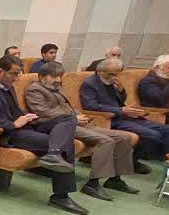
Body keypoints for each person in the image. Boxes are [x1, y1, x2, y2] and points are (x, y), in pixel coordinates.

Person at [0, 55, 86, 214]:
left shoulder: (8, 86)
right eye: (14, 74)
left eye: (19, 74)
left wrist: (29, 117)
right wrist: (13, 124)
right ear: (1, 71)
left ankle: (54, 154)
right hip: (8, 134)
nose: (17, 78)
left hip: (25, 127)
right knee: (66, 144)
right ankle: (61, 195)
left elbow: (16, 111)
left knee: (68, 118)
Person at [25, 61, 139, 201]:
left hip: (79, 123)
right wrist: (74, 118)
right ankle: (93, 184)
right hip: (61, 126)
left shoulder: (58, 88)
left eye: (60, 76)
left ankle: (115, 179)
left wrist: (81, 116)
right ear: (42, 77)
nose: (58, 80)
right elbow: (42, 112)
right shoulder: (34, 90)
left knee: (124, 138)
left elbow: (70, 107)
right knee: (105, 141)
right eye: (53, 76)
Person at [81, 58, 169, 167]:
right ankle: (131, 162)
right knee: (152, 135)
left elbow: (121, 100)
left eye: (117, 74)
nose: (114, 77)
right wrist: (121, 110)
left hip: (127, 116)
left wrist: (121, 90)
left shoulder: (113, 81)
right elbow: (91, 106)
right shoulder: (90, 84)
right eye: (111, 74)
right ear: (99, 71)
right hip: (110, 119)